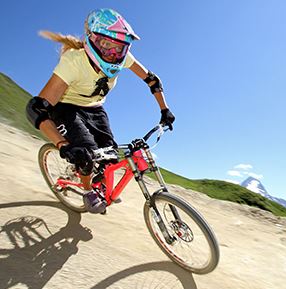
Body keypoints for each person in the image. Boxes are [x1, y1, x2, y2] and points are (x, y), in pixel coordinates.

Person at [26, 8, 175, 214]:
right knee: (85, 152)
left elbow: (152, 80)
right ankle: (87, 191)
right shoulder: (73, 62)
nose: (114, 54)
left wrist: (164, 110)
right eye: (107, 45)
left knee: (110, 156)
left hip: (95, 108)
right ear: (93, 40)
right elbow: (36, 108)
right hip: (66, 108)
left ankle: (99, 181)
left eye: (120, 48)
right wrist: (62, 145)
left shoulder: (125, 58)